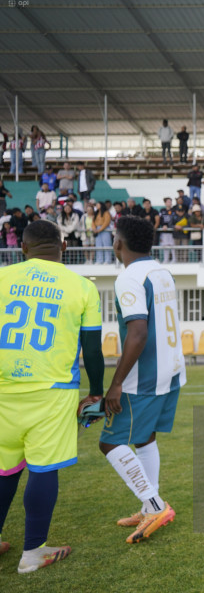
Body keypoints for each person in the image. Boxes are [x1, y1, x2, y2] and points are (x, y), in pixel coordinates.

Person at [0, 219, 104, 573]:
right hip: (53, 392)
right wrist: (96, 393)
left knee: (4, 470)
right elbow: (92, 351)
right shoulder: (82, 287)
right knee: (43, 469)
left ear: (23, 249)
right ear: (63, 247)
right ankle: (32, 553)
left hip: (3, 392)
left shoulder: (2, 278)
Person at [98, 217, 185, 544]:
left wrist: (116, 383)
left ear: (119, 243)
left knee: (109, 441)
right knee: (145, 437)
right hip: (171, 371)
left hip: (144, 378)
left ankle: (155, 505)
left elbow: (138, 333)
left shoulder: (129, 277)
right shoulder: (162, 271)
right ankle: (149, 505)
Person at [158, 197, 176, 263]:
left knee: (172, 245)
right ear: (165, 203)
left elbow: (174, 220)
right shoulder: (162, 210)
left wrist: (169, 226)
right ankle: (166, 259)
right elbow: (160, 219)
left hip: (172, 231)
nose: (169, 203)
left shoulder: (174, 210)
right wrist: (163, 225)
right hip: (164, 231)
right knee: (165, 245)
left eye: (170, 201)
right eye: (168, 202)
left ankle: (174, 259)